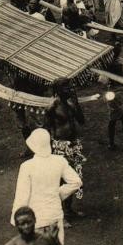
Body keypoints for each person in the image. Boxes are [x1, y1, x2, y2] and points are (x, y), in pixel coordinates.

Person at [11, 130, 83, 245]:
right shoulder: (59, 161)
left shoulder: (26, 167)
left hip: (35, 218)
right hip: (54, 214)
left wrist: (16, 218)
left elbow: (22, 195)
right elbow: (76, 182)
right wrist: (58, 194)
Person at [45, 78, 87, 221]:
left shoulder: (70, 103)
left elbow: (81, 121)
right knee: (61, 181)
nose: (69, 89)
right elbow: (46, 129)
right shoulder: (52, 106)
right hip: (59, 147)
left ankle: (68, 210)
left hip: (73, 145)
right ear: (57, 90)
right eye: (65, 87)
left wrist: (76, 104)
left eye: (69, 86)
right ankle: (60, 214)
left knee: (73, 179)